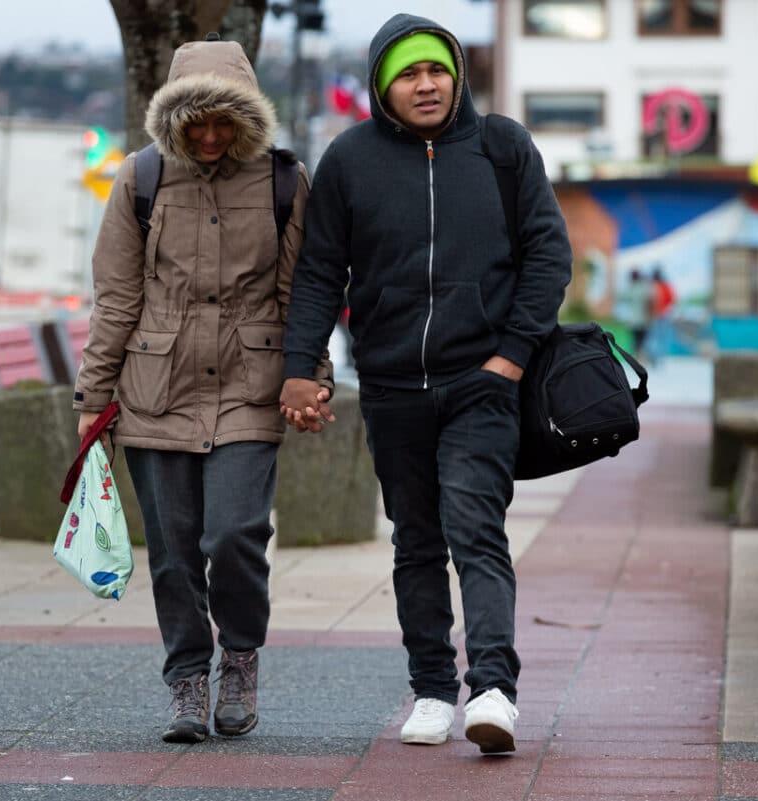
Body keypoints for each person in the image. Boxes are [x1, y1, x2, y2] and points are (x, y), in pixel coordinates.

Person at [279, 14, 571, 754]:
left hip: (482, 382)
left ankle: (495, 689)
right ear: (383, 85)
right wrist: (299, 370)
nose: (426, 84)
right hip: (390, 384)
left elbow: (547, 255)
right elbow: (319, 273)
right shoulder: (350, 160)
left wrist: (509, 357)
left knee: (476, 528)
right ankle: (434, 689)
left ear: (456, 74)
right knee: (416, 539)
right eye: (408, 74)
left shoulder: (503, 147)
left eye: (436, 70)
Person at [73, 35, 329, 744]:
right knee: (175, 550)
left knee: (236, 533)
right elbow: (116, 297)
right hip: (156, 388)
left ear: (247, 118)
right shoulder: (140, 179)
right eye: (197, 122)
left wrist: (313, 379)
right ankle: (188, 679)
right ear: (173, 120)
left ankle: (239, 657)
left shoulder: (283, 180)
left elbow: (303, 292)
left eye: (226, 121)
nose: (211, 135)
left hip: (251, 385)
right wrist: (92, 398)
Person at [614, 269, 653, 357]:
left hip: (633, 320)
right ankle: (641, 358)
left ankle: (637, 357)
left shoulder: (631, 288)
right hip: (643, 320)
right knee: (642, 341)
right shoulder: (645, 288)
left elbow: (621, 298)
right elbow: (650, 303)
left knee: (635, 341)